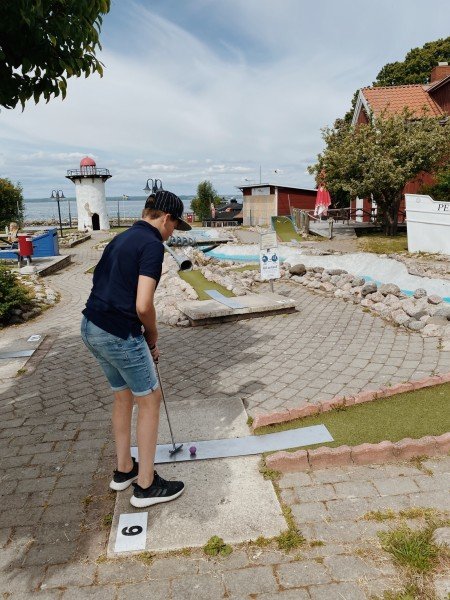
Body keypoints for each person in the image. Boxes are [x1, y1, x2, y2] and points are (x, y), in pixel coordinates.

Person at [80, 190, 191, 508]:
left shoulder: (121, 238)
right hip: (118, 333)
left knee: (123, 396)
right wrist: (151, 336)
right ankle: (146, 485)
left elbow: (102, 282)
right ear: (166, 218)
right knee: (150, 401)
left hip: (91, 326)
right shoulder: (152, 245)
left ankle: (124, 469)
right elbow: (143, 305)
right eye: (175, 226)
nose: (173, 234)